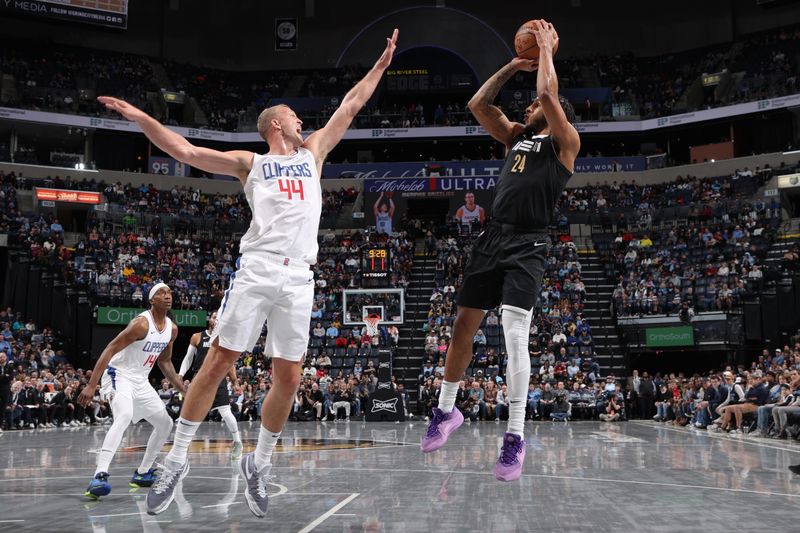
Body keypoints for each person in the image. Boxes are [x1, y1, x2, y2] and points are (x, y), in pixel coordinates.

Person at [96, 28, 399, 519]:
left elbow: (351, 104)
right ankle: (175, 461)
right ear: (277, 124)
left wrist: (382, 66)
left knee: (290, 376)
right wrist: (140, 117)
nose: (305, 121)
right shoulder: (251, 162)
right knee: (216, 364)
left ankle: (258, 464)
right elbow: (186, 152)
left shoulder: (314, 153)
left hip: (300, 277)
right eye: (296, 117)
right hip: (257, 270)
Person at [420, 19, 579, 483]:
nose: (528, 105)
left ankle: (514, 438)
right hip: (493, 237)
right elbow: (478, 104)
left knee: (513, 335)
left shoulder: (564, 143)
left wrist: (548, 48)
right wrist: (513, 64)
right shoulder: (515, 138)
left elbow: (549, 98)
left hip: (529, 243)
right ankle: (446, 411)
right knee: (461, 324)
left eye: (533, 104)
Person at [77, 283, 185, 500]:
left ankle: (143, 473)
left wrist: (184, 390)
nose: (167, 296)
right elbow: (109, 349)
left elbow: (164, 361)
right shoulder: (141, 324)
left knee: (166, 423)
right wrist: (91, 385)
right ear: (151, 300)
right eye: (161, 294)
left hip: (141, 380)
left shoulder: (172, 329)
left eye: (169, 293)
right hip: (119, 374)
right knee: (124, 415)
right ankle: (99, 475)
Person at [178, 311, 242, 459]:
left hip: (217, 378)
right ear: (210, 320)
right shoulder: (197, 337)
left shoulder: (224, 339)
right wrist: (180, 375)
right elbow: (188, 359)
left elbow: (229, 363)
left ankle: (237, 442)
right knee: (190, 412)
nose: (216, 320)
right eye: (214, 317)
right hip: (199, 378)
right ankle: (181, 447)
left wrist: (235, 381)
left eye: (219, 318)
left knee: (225, 412)